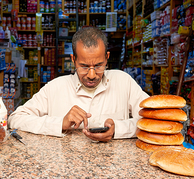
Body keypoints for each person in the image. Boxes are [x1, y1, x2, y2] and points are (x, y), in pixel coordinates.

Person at [8, 27, 149, 142]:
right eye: (84, 66)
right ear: (73, 60)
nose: (92, 75)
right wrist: (60, 124)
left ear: (107, 58)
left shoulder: (123, 81)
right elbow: (15, 119)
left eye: (99, 65)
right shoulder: (55, 87)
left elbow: (153, 119)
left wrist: (118, 129)